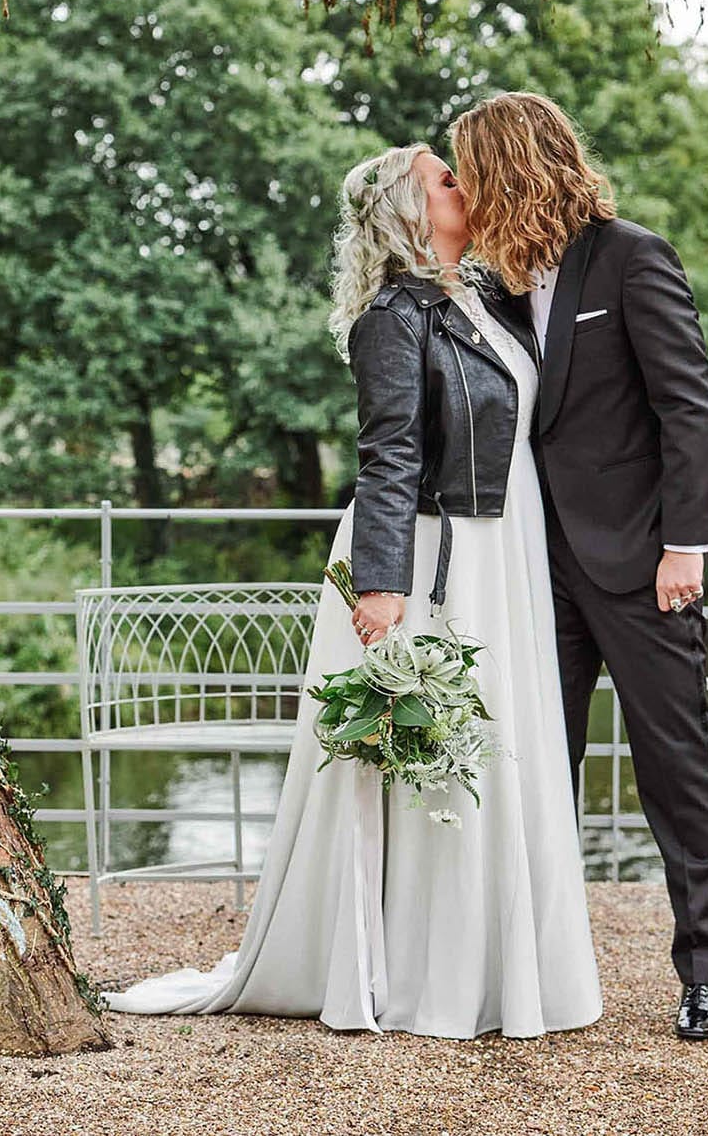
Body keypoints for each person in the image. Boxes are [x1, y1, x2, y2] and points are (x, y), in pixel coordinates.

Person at [103, 141, 602, 1040]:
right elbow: (390, 454)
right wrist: (380, 584)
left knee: (498, 748)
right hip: (430, 555)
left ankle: (499, 967)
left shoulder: (489, 298)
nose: (467, 184)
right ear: (410, 211)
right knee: (427, 753)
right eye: (447, 178)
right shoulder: (392, 315)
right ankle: (417, 970)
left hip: (506, 552)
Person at [450, 91, 708, 1042]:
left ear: (511, 168)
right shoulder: (489, 286)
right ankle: (538, 972)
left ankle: (701, 976)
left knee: (676, 769)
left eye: (471, 172)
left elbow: (687, 408)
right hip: (534, 572)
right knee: (538, 769)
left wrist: (683, 548)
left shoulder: (631, 256)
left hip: (643, 566)